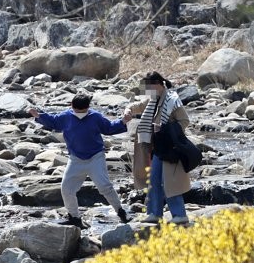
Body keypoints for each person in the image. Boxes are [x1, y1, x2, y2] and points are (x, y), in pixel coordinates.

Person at [29, 92, 133, 228]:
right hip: (76, 159)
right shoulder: (67, 116)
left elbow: (108, 128)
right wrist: (38, 116)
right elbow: (53, 121)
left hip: (96, 157)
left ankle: (121, 212)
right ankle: (74, 217)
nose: (78, 112)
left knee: (105, 187)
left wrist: (123, 121)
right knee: (66, 189)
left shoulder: (95, 117)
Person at [127, 71, 192, 225]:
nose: (148, 89)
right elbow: (138, 106)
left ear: (159, 84)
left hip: (170, 147)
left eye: (149, 86)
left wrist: (165, 129)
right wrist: (128, 110)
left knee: (170, 182)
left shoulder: (172, 100)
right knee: (154, 180)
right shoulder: (153, 100)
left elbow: (184, 121)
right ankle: (154, 214)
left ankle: (180, 215)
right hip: (157, 147)